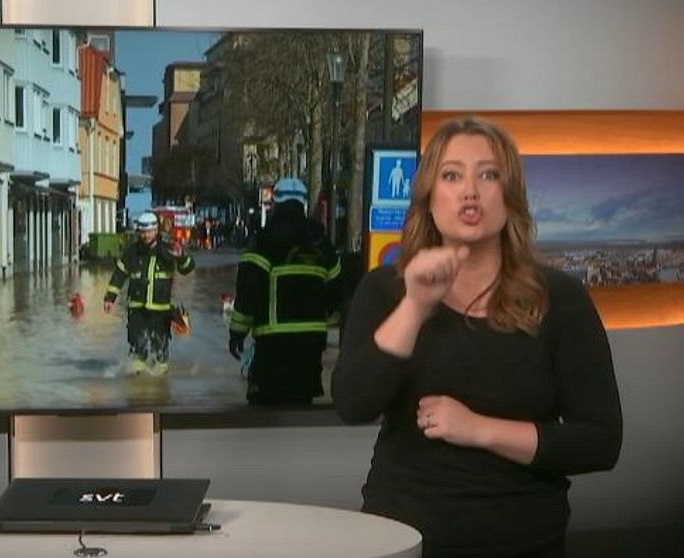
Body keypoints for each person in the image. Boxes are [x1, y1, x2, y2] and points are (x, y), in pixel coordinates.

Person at [332, 116, 622, 558]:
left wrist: (478, 429)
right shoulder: (384, 290)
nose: (470, 191)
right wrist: (415, 306)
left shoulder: (560, 298)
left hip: (523, 541)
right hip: (402, 538)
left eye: (488, 175)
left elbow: (600, 442)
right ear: (429, 199)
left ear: (510, 196)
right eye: (452, 176)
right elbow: (353, 403)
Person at [228, 177, 343, 405]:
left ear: (275, 203)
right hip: (312, 341)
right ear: (304, 203)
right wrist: (330, 322)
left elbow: (248, 290)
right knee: (301, 403)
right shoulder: (320, 241)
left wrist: (237, 333)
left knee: (266, 404)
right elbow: (337, 287)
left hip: (273, 341)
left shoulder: (265, 239)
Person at [103, 211, 195, 375]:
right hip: (137, 309)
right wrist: (110, 298)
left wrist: (181, 257)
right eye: (143, 232)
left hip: (161, 311)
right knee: (137, 348)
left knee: (160, 349)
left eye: (149, 232)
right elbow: (119, 274)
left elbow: (187, 269)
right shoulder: (132, 252)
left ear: (156, 230)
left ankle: (160, 384)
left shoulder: (169, 250)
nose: (145, 235)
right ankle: (137, 381)